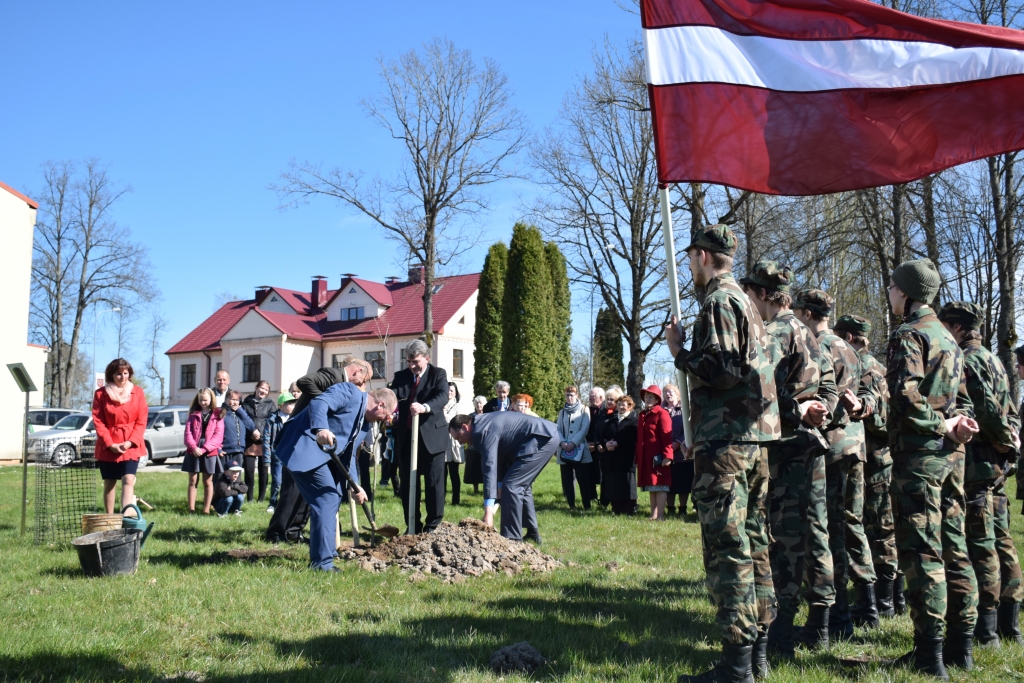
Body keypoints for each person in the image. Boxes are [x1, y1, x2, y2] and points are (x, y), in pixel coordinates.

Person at [666, 224, 780, 682]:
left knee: (728, 550)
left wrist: (680, 352)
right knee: (754, 546)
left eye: (691, 257)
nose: (689, 267)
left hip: (727, 445)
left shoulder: (718, 302)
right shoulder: (748, 305)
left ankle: (737, 667)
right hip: (752, 441)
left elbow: (723, 368)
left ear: (704, 256)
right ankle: (757, 657)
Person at [884, 258, 979, 677]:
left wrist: (941, 422)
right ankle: (963, 648)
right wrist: (961, 423)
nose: (889, 293)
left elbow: (904, 396)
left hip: (920, 456)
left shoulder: (909, 334)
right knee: (955, 546)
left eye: (892, 287)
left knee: (923, 551)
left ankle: (930, 657)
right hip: (952, 457)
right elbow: (965, 398)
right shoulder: (948, 337)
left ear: (905, 293)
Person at [741, 261, 834, 658]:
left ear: (762, 294)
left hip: (788, 448)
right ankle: (820, 625)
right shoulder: (808, 331)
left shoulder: (779, 329)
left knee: (784, 540)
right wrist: (820, 408)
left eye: (749, 294)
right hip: (808, 445)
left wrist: (800, 411)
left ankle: (779, 635)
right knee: (812, 534)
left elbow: (756, 380)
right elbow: (828, 382)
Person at [793, 288, 876, 638]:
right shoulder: (851, 350)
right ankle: (864, 606)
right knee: (847, 526)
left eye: (798, 311)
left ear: (809, 314)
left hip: (829, 446)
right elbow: (871, 394)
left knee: (823, 532)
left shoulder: (819, 345)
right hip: (854, 446)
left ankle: (833, 615)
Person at [938, 302, 1019, 649]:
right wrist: (1010, 444)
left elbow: (985, 409)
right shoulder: (993, 358)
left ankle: (986, 631)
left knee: (980, 543)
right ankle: (1008, 624)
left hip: (978, 463)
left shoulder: (967, 360)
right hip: (994, 464)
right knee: (1001, 539)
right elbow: (1010, 408)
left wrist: (1003, 445)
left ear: (956, 328)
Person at [274, 383, 396, 571]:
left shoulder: (364, 424)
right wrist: (321, 428)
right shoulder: (350, 392)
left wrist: (355, 485)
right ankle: (321, 563)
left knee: (334, 495)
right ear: (380, 405)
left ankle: (327, 552)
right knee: (327, 498)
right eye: (388, 414)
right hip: (302, 447)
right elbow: (319, 403)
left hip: (320, 457)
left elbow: (348, 457)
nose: (387, 419)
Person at [834, 314, 903, 620]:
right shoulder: (876, 366)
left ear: (848, 337)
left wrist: (861, 410)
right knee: (880, 529)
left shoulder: (865, 368)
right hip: (877, 459)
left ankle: (879, 605)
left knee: (877, 530)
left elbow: (879, 417)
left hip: (875, 461)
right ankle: (891, 601)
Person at [267, 358, 372, 544]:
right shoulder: (333, 375)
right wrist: (325, 399)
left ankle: (294, 531)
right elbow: (304, 382)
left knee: (308, 494)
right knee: (292, 490)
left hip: (315, 442)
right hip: (298, 439)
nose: (362, 385)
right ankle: (276, 532)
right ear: (357, 372)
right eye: (364, 380)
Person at [448, 411, 558, 541]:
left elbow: (489, 468)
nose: (460, 443)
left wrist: (488, 513)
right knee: (520, 485)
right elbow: (499, 460)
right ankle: (532, 533)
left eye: (458, 437)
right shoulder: (480, 425)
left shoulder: (481, 432)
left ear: (465, 427)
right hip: (542, 436)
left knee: (512, 486)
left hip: (542, 438)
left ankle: (512, 539)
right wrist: (498, 488)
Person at [389, 340, 450, 534]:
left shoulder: (437, 374)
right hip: (406, 439)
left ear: (427, 358)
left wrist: (425, 407)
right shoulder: (401, 377)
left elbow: (442, 396)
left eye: (416, 361)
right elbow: (392, 397)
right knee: (408, 486)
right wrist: (388, 410)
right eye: (409, 361)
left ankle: (433, 526)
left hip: (432, 439)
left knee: (434, 484)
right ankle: (413, 525)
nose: (412, 366)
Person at [91, 358, 148, 516]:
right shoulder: (100, 394)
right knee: (109, 483)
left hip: (131, 444)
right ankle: (109, 518)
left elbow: (141, 421)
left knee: (128, 480)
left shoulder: (138, 392)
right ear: (111, 375)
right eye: (118, 374)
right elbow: (98, 421)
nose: (123, 377)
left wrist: (131, 442)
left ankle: (125, 518)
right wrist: (110, 444)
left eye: (125, 373)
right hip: (108, 445)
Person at [182, 387, 225, 514]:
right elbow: (188, 433)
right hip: (193, 449)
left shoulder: (218, 414)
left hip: (209, 450)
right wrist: (193, 447)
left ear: (211, 399)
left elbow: (218, 436)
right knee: (193, 480)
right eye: (201, 400)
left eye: (205, 400)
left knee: (208, 481)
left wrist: (205, 448)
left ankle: (206, 509)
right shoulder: (193, 414)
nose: (203, 402)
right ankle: (191, 509)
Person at [635, 385, 673, 521]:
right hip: (646, 457)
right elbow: (639, 439)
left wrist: (668, 456)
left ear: (657, 399)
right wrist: (637, 457)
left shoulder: (662, 414)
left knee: (660, 484)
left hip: (658, 456)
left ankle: (661, 515)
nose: (647, 399)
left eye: (650, 396)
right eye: (646, 396)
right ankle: (653, 514)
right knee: (652, 485)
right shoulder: (642, 415)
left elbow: (667, 437)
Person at [598, 395, 638, 515]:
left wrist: (617, 443)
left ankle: (629, 509)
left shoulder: (634, 421)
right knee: (614, 483)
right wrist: (606, 443)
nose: (620, 407)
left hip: (627, 458)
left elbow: (632, 437)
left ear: (630, 407)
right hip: (612, 457)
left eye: (623, 404)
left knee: (627, 483)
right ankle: (616, 508)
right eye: (619, 404)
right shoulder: (612, 419)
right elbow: (603, 434)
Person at [556, 386, 593, 511]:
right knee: (567, 479)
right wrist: (562, 442)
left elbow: (584, 428)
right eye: (567, 395)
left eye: (572, 395)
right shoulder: (562, 412)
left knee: (583, 479)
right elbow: (558, 429)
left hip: (580, 450)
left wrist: (573, 442)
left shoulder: (584, 409)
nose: (570, 397)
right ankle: (571, 505)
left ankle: (587, 505)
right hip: (564, 450)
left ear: (577, 395)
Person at [242, 381, 275, 503]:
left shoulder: (271, 404)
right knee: (249, 471)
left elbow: (271, 421)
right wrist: (252, 432)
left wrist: (261, 434)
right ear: (256, 388)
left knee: (263, 471)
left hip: (264, 441)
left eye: (266, 390)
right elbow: (243, 419)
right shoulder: (246, 402)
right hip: (249, 441)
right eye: (261, 388)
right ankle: (249, 497)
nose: (263, 391)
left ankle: (261, 498)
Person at [263, 391, 296, 513]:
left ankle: (284, 503)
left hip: (290, 456)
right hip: (277, 456)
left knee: (288, 481)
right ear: (281, 405)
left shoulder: (294, 419)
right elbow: (266, 440)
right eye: (290, 404)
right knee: (277, 481)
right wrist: (266, 458)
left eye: (294, 404)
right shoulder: (272, 420)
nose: (293, 406)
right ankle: (272, 503)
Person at [663, 384, 694, 517]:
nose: (668, 394)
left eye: (670, 392)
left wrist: (678, 442)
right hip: (666, 452)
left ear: (677, 394)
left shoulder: (684, 410)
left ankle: (682, 508)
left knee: (683, 481)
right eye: (665, 392)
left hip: (682, 452)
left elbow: (689, 427)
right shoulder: (661, 410)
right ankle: (670, 508)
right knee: (669, 482)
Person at [220, 391, 257, 471]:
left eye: (237, 400)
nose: (235, 402)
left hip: (238, 449)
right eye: (232, 399)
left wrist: (240, 410)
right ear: (226, 399)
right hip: (225, 450)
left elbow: (251, 426)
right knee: (222, 476)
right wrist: (218, 448)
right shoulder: (221, 413)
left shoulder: (241, 413)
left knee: (236, 476)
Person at [443, 382, 464, 505]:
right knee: (442, 474)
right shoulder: (441, 405)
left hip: (453, 443)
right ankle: (441, 498)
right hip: (441, 442)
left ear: (455, 392)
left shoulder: (458, 406)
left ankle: (456, 500)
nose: (449, 393)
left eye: (451, 390)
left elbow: (453, 421)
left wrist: (444, 412)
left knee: (454, 473)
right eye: (447, 390)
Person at [462, 396, 487, 494]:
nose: (479, 405)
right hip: (473, 445)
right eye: (477, 403)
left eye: (480, 403)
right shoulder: (470, 416)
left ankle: (486, 488)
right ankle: (475, 489)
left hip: (485, 445)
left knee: (485, 467)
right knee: (474, 467)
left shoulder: (488, 415)